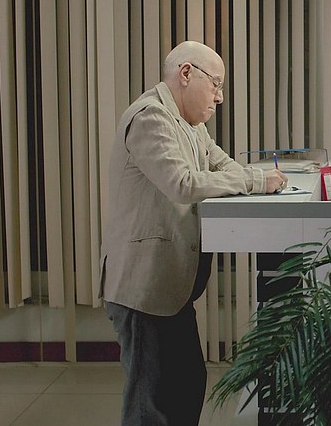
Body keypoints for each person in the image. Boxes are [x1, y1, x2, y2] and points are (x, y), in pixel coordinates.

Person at [99, 41, 287, 426]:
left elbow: (224, 166)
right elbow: (183, 183)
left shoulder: (191, 125)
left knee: (187, 383)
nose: (219, 97)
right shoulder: (151, 117)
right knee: (150, 405)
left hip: (171, 287)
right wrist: (257, 181)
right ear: (186, 74)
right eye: (215, 84)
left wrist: (256, 178)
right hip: (143, 286)